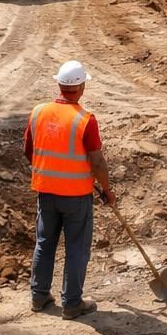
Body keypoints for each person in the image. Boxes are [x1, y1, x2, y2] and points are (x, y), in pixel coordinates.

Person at [25, 60, 114, 319]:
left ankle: (39, 296)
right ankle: (72, 303)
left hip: (46, 192)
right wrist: (106, 189)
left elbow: (30, 151)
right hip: (76, 196)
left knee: (44, 243)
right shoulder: (85, 120)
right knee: (76, 247)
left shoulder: (38, 112)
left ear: (60, 85)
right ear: (82, 87)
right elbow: (97, 161)